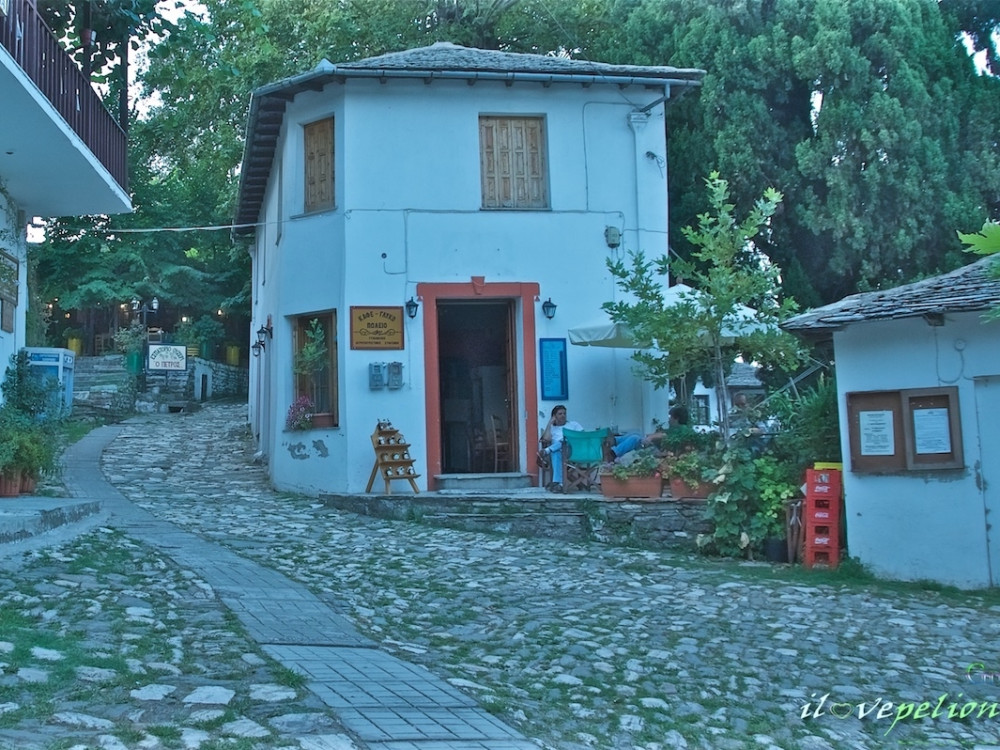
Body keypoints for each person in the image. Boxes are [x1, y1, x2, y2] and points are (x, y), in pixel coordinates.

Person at [610, 405, 690, 459]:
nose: (669, 419)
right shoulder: (676, 428)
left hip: (662, 453)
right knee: (637, 432)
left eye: (671, 417)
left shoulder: (682, 429)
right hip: (659, 449)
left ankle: (612, 454)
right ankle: (614, 441)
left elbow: (664, 435)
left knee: (635, 438)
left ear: (676, 418)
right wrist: (647, 436)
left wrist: (650, 437)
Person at [538, 404, 582, 493]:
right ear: (554, 416)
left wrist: (572, 438)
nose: (563, 415)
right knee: (556, 452)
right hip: (559, 453)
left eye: (564, 413)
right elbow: (546, 439)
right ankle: (560, 484)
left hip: (572, 451)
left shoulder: (573, 424)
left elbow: (583, 436)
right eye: (560, 414)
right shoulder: (553, 428)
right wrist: (549, 423)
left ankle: (547, 450)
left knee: (564, 440)